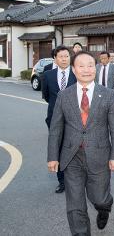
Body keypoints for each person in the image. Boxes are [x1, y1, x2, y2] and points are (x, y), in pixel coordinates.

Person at [47, 51, 114, 235]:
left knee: (99, 197)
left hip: (100, 155)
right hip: (71, 156)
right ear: (73, 69)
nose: (86, 70)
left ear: (95, 68)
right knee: (75, 203)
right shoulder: (64, 96)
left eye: (90, 65)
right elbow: (56, 129)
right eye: (81, 66)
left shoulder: (108, 95)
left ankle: (104, 206)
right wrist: (52, 157)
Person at [42, 45, 77, 193]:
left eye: (66, 56)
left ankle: (75, 179)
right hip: (54, 118)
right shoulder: (48, 75)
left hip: (75, 119)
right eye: (61, 56)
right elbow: (46, 96)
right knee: (58, 148)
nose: (64, 59)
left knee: (75, 148)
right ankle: (62, 181)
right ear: (55, 59)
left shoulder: (77, 74)